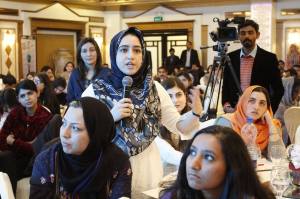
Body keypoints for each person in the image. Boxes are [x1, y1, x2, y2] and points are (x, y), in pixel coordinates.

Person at [82, 27, 201, 194]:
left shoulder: (154, 88)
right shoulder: (96, 90)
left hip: (147, 170)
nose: (130, 56)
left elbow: (179, 126)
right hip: (108, 168)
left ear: (143, 55)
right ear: (114, 53)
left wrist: (195, 113)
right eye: (124, 50)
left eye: (137, 50)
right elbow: (79, 131)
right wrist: (110, 116)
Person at [30, 97, 132, 199]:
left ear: (95, 133)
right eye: (64, 123)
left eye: (75, 128)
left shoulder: (118, 161)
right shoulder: (47, 160)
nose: (64, 134)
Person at [160, 125, 275, 199]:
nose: (194, 165)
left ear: (232, 165)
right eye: (193, 153)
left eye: (208, 157)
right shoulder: (173, 197)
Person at [0, 80, 52, 193]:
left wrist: (13, 142)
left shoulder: (45, 116)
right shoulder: (15, 113)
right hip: (14, 157)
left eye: (30, 93)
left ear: (37, 93)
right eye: (22, 95)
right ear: (18, 99)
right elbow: (2, 137)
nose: (27, 98)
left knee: (6, 159)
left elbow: (36, 149)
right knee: (5, 157)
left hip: (34, 161)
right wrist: (26, 144)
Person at [222, 19, 284, 114]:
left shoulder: (269, 58)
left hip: (259, 113)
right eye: (243, 33)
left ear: (257, 35)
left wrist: (268, 111)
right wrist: (227, 107)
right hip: (235, 112)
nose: (247, 36)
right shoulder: (230, 57)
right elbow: (226, 86)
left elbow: (278, 89)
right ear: (238, 36)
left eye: (250, 33)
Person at [216, 86, 282, 153]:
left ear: (266, 108)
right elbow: (221, 155)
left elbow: (279, 157)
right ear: (243, 101)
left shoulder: (271, 126)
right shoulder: (226, 122)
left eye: (262, 103)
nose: (256, 107)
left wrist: (270, 123)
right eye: (251, 101)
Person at [67, 37, 109, 103]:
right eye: (84, 51)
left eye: (92, 50)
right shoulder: (75, 74)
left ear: (97, 53)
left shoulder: (107, 73)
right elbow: (70, 99)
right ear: (80, 55)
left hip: (102, 112)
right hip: (80, 111)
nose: (88, 54)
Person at [275, 64, 300, 144]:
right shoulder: (279, 106)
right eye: (296, 92)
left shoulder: (295, 103)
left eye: (299, 92)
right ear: (287, 90)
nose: (298, 95)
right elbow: (277, 127)